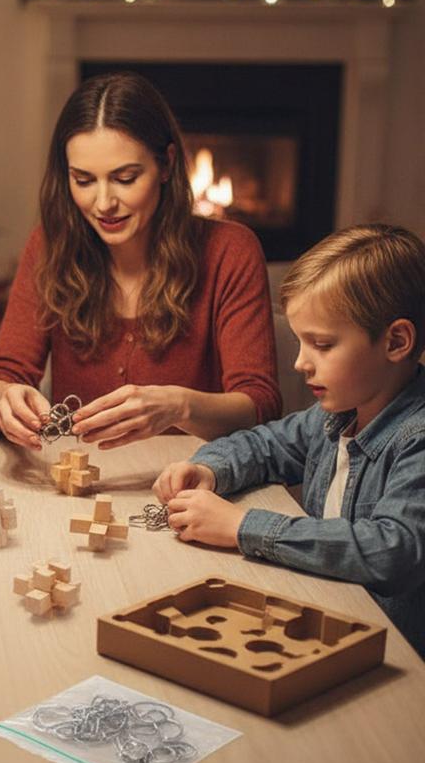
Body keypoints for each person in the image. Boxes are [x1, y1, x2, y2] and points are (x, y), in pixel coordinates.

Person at [155, 224, 425, 658]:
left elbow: (391, 551)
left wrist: (243, 527)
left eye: (321, 344)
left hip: (394, 657)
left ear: (396, 341)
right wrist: (208, 469)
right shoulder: (335, 414)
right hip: (326, 626)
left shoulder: (416, 438)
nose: (300, 363)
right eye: (301, 342)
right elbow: (266, 444)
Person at [0, 72, 281, 451]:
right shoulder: (48, 245)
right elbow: (1, 375)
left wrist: (179, 407)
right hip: (81, 484)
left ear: (167, 165)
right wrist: (5, 399)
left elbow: (260, 405)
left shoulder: (230, 251)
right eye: (84, 180)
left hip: (194, 479)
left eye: (125, 178)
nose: (103, 203)